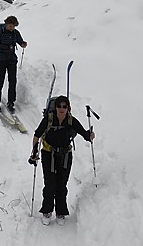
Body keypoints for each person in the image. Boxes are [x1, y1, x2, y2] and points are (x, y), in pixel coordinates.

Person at [28, 95, 94, 225]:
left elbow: (84, 134)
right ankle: (47, 211)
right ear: (55, 107)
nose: (62, 109)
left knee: (62, 184)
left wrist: (90, 135)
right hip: (48, 154)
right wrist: (34, 151)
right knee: (50, 183)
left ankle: (61, 212)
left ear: (69, 108)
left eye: (64, 106)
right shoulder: (48, 119)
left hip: (65, 156)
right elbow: (37, 135)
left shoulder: (71, 120)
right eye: (59, 106)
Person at [0, 16, 27, 110]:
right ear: (6, 24)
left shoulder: (15, 33)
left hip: (11, 59)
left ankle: (11, 102)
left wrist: (23, 44)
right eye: (10, 25)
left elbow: (20, 42)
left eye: (13, 26)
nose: (11, 28)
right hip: (1, 59)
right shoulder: (0, 32)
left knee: (12, 81)